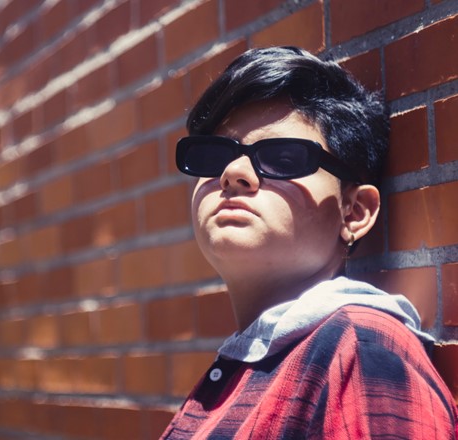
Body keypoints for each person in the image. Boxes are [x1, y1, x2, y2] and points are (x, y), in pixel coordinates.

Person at [160, 46, 458, 439]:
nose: (233, 173)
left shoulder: (361, 352)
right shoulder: (259, 358)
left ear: (354, 212)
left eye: (282, 157)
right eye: (214, 155)